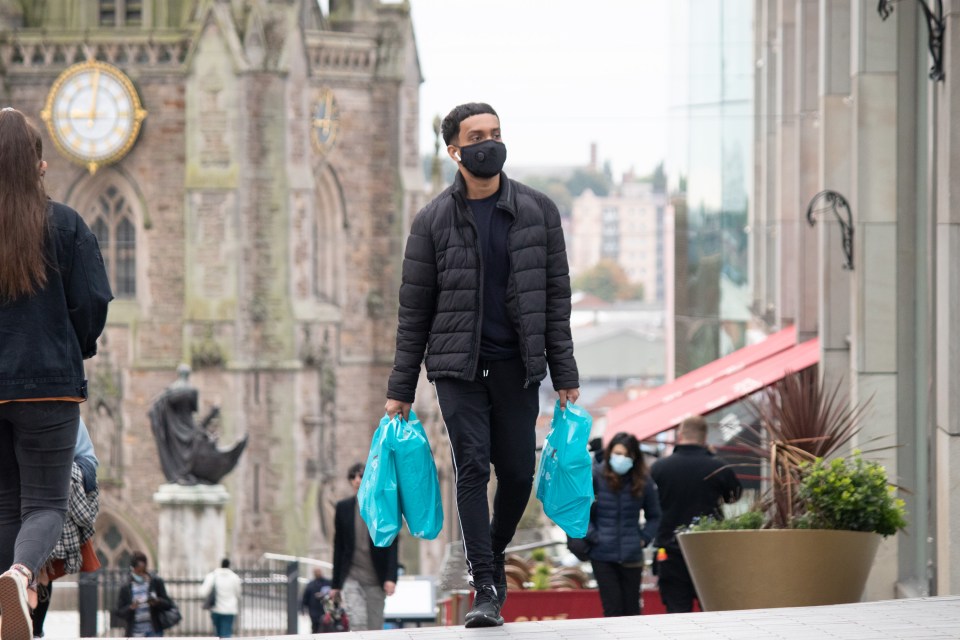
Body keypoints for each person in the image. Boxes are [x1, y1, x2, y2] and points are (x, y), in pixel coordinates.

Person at [385, 102, 579, 628]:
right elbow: (414, 311)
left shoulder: (539, 211)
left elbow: (555, 301)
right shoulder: (432, 221)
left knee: (517, 473)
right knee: (472, 466)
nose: (489, 143)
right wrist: (401, 388)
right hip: (457, 369)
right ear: (455, 150)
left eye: (495, 133)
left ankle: (488, 556)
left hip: (518, 366)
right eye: (477, 136)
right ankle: (486, 587)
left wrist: (566, 375)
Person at [0, 107, 112, 640]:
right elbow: (92, 302)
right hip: (49, 388)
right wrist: (75, 347)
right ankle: (21, 577)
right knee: (43, 503)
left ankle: (5, 606)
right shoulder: (65, 224)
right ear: (37, 165)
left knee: (4, 504)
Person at [649, 416, 742, 613]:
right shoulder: (718, 467)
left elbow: (649, 504)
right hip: (708, 551)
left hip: (670, 550)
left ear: (680, 435)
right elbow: (734, 496)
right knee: (712, 610)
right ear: (704, 437)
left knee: (677, 612)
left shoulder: (659, 468)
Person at [31, 418, 102, 638]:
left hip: (47, 504)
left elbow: (89, 463)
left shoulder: (69, 416)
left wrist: (65, 471)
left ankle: (34, 628)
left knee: (39, 569)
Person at [587, 433, 661, 617]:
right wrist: (594, 536)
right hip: (602, 555)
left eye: (627, 455)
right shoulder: (595, 476)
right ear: (610, 452)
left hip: (632, 554)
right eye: (618, 453)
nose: (622, 459)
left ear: (634, 457)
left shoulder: (642, 480)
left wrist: (643, 539)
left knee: (632, 610)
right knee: (612, 610)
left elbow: (655, 516)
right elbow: (581, 512)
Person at [331, 463, 398, 631]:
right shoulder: (343, 508)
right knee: (358, 621)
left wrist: (391, 577)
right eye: (353, 477)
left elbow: (392, 543)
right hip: (352, 576)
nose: (357, 480)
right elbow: (338, 546)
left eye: (361, 476)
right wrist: (335, 584)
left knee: (375, 626)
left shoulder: (382, 506)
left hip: (376, 577)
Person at [113, 551, 174, 637]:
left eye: (143, 570)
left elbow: (168, 604)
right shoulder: (126, 586)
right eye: (138, 571)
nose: (141, 573)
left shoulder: (155, 582)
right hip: (135, 632)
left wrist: (157, 601)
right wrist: (131, 607)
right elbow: (119, 611)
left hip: (154, 631)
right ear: (133, 568)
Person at [200, 558, 243, 638]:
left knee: (218, 633)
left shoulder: (213, 576)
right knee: (226, 633)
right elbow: (238, 593)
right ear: (229, 565)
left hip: (216, 609)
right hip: (230, 609)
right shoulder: (234, 577)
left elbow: (203, 592)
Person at [300, 566, 333, 633]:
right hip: (314, 611)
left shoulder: (328, 582)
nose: (318, 573)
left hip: (325, 609)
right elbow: (305, 598)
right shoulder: (310, 584)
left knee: (326, 627)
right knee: (315, 627)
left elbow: (332, 593)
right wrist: (303, 610)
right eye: (316, 572)